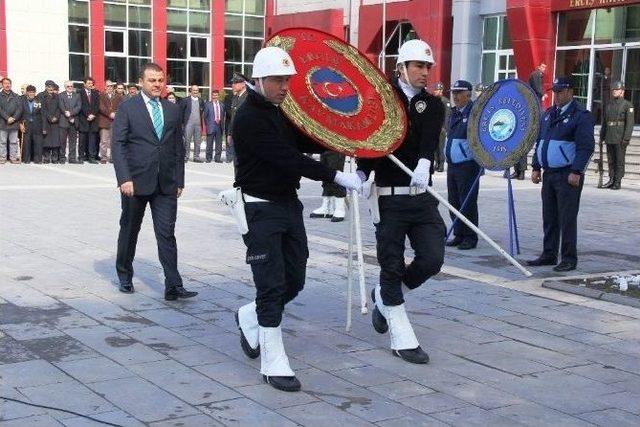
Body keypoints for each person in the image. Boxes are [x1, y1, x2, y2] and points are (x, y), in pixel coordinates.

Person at [232, 47, 363, 392]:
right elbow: (288, 157)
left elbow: (304, 138)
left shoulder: (279, 112)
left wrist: (342, 136)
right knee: (272, 284)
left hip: (287, 206)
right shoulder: (248, 117)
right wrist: (335, 177)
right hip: (259, 209)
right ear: (258, 80)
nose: (284, 86)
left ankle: (250, 315)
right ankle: (273, 362)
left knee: (296, 279)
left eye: (287, 80)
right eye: (278, 80)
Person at [357, 39, 445, 365]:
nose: (424, 72)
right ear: (402, 68)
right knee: (391, 265)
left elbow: (429, 139)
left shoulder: (433, 104)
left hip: (421, 197)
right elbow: (369, 142)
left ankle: (384, 299)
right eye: (418, 66)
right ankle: (401, 335)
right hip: (389, 199)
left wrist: (424, 163)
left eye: (427, 67)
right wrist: (362, 172)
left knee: (433, 258)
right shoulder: (381, 101)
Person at [112, 62, 198, 301]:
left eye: (160, 80)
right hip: (135, 183)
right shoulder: (128, 108)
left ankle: (174, 285)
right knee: (130, 230)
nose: (157, 84)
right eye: (152, 80)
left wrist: (179, 179)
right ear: (141, 82)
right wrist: (124, 178)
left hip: (166, 184)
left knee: (166, 233)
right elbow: (117, 145)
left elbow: (178, 147)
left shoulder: (171, 109)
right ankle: (125, 275)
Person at [527, 77, 595, 272]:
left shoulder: (581, 115)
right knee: (549, 216)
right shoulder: (549, 114)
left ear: (570, 92)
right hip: (549, 174)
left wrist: (577, 170)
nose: (556, 95)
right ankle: (549, 254)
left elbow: (586, 147)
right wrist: (536, 166)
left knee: (567, 218)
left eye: (560, 91)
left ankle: (568, 258)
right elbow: (541, 142)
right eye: (554, 91)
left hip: (567, 174)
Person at [445, 80, 481, 250]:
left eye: (459, 93)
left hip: (467, 165)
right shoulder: (454, 113)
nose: (455, 96)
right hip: (453, 164)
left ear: (468, 94)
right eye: (453, 93)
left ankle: (470, 236)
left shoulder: (475, 113)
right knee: (453, 201)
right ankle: (459, 233)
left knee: (467, 201)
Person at [599, 81, 634, 190]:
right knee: (611, 159)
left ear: (622, 91)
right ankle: (611, 179)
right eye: (613, 90)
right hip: (610, 135)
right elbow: (605, 122)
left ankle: (617, 181)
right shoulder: (609, 104)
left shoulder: (627, 105)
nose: (614, 91)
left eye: (617, 89)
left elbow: (630, 124)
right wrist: (602, 136)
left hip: (620, 136)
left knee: (619, 160)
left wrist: (626, 138)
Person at [309, 151, 347, 221]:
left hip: (336, 146)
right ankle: (328, 208)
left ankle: (339, 208)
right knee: (325, 174)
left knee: (336, 175)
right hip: (324, 146)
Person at [98, 80, 124, 163]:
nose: (110, 88)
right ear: (105, 87)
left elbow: (121, 107)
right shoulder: (101, 95)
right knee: (104, 141)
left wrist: (116, 113)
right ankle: (103, 157)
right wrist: (110, 114)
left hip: (115, 121)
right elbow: (101, 107)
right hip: (104, 120)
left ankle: (113, 158)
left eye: (111, 86)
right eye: (108, 86)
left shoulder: (118, 96)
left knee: (114, 140)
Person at [0, 77, 23, 164]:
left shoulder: (16, 96)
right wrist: (7, 118)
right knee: (2, 142)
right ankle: (2, 157)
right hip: (3, 122)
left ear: (11, 84)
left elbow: (20, 109)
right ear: (2, 85)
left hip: (14, 122)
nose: (7, 85)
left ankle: (13, 157)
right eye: (5, 83)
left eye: (8, 83)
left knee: (13, 142)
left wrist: (13, 118)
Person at [179, 85, 205, 162]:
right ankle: (186, 156)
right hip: (188, 124)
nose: (195, 92)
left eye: (197, 90)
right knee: (187, 141)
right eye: (194, 90)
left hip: (198, 124)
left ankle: (196, 157)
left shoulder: (201, 101)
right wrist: (182, 124)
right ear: (190, 91)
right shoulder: (185, 100)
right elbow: (181, 112)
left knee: (198, 141)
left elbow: (202, 111)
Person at [226, 74, 248, 164]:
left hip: (245, 135)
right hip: (236, 135)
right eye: (232, 83)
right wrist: (230, 133)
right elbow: (233, 117)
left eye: (235, 83)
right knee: (236, 161)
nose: (233, 85)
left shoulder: (248, 98)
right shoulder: (235, 98)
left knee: (243, 161)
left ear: (243, 84)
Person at [58, 81, 82, 163]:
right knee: (62, 141)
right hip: (64, 121)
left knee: (73, 141)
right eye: (68, 86)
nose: (70, 87)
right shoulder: (61, 95)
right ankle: (62, 157)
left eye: (71, 86)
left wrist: (71, 114)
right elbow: (61, 107)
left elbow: (78, 107)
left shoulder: (77, 95)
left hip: (74, 121)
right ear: (65, 87)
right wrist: (67, 114)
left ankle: (72, 158)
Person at [20, 85, 44, 164]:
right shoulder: (22, 100)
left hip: (37, 124)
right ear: (27, 92)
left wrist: (44, 127)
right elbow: (19, 113)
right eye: (30, 92)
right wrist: (20, 124)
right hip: (26, 124)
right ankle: (26, 159)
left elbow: (43, 114)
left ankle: (37, 159)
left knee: (38, 142)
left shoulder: (38, 101)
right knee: (26, 142)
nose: (31, 94)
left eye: (33, 92)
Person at [79, 77, 101, 163]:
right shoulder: (79, 93)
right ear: (84, 84)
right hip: (84, 119)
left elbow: (97, 105)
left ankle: (92, 157)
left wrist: (93, 114)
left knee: (92, 140)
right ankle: (81, 156)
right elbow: (81, 105)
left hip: (93, 120)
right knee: (82, 140)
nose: (90, 85)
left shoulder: (95, 93)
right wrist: (88, 114)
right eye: (88, 83)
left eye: (91, 83)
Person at [202, 89, 226, 163]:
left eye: (216, 95)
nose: (215, 96)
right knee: (209, 143)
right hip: (211, 125)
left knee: (219, 143)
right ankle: (208, 158)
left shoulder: (222, 105)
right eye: (213, 95)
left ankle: (217, 158)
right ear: (212, 96)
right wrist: (208, 125)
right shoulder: (207, 104)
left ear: (218, 96)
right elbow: (205, 116)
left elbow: (223, 116)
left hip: (219, 126)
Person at [41, 82, 62, 163]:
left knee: (56, 141)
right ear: (46, 87)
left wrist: (56, 117)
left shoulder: (57, 96)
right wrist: (50, 117)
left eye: (52, 87)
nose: (50, 89)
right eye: (49, 87)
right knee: (47, 141)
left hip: (56, 122)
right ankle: (46, 158)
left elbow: (59, 108)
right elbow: (43, 110)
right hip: (46, 121)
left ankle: (54, 158)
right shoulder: (42, 96)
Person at [433, 81, 451, 172]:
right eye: (436, 90)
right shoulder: (433, 101)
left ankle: (441, 164)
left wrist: (444, 127)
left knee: (440, 147)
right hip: (434, 128)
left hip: (441, 128)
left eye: (439, 90)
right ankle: (436, 162)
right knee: (435, 147)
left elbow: (447, 116)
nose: (438, 91)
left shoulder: (445, 101)